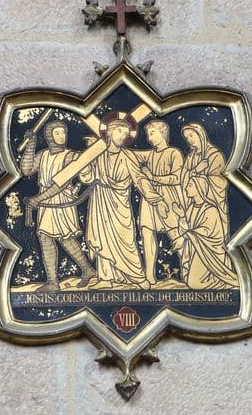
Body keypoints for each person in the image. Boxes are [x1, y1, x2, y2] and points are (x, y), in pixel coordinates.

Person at [80, 118, 169, 289]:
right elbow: (88, 177)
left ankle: (137, 277)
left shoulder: (128, 156)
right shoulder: (98, 154)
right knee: (101, 237)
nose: (123, 136)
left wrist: (155, 199)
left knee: (126, 241)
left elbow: (140, 179)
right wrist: (86, 160)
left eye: (126, 134)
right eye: (119, 131)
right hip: (100, 200)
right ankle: (106, 278)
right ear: (109, 132)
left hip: (120, 204)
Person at [21, 121, 95, 291]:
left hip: (61, 200)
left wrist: (38, 199)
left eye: (63, 132)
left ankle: (82, 272)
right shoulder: (43, 154)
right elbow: (26, 170)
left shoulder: (70, 156)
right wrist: (31, 145)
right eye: (57, 133)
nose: (62, 136)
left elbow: (60, 183)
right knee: (49, 238)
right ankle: (56, 280)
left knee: (64, 237)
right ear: (49, 136)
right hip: (46, 202)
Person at [136, 120, 184, 285]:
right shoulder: (149, 154)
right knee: (147, 232)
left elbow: (177, 178)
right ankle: (149, 276)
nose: (149, 138)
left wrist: (153, 177)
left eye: (152, 133)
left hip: (169, 197)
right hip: (150, 198)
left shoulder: (173, 153)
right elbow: (130, 154)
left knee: (175, 233)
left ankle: (188, 270)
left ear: (163, 133)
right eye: (148, 134)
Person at [172, 175, 238, 290]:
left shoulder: (210, 209)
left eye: (190, 185)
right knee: (190, 281)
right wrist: (182, 216)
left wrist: (184, 237)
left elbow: (205, 232)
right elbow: (187, 229)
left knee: (195, 284)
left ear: (199, 188)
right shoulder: (191, 208)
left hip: (209, 252)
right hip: (196, 248)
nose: (186, 188)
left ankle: (218, 280)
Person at [181, 123, 229, 237]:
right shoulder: (190, 157)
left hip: (212, 204)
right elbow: (184, 180)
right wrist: (196, 170)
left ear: (200, 134)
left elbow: (219, 182)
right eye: (187, 138)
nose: (190, 140)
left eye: (191, 135)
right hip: (195, 206)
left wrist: (198, 179)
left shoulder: (214, 155)